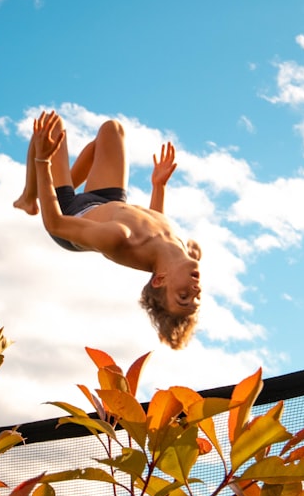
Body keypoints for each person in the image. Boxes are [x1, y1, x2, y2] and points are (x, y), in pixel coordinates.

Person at [13, 110, 202, 349]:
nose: (194, 290)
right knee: (111, 131)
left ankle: (30, 197)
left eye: (183, 297)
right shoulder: (186, 250)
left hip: (69, 215)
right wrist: (158, 186)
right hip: (107, 202)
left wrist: (43, 161)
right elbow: (158, 228)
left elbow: (55, 224)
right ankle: (61, 183)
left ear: (160, 280)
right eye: (196, 298)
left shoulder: (120, 239)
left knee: (52, 129)